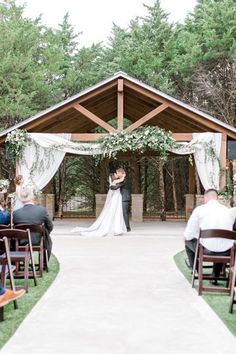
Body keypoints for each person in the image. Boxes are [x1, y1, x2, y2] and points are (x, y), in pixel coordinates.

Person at [184, 188, 236, 281]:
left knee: (187, 240)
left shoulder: (199, 210)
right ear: (217, 198)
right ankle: (215, 275)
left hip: (206, 251)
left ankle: (194, 268)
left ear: (205, 198)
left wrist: (190, 237)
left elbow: (189, 233)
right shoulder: (227, 211)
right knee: (221, 242)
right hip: (226, 252)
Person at [71, 172, 127, 237]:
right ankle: (114, 228)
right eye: (115, 174)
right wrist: (123, 175)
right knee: (113, 212)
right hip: (115, 198)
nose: (116, 175)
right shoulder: (114, 181)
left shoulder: (115, 181)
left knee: (117, 212)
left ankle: (117, 227)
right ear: (113, 177)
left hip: (117, 198)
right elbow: (121, 180)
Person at [13, 188, 54, 259]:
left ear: (21, 200)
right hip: (37, 241)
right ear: (32, 197)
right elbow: (50, 226)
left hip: (21, 242)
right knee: (47, 238)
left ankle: (16, 262)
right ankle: (44, 263)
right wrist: (44, 233)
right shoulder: (42, 210)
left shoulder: (16, 213)